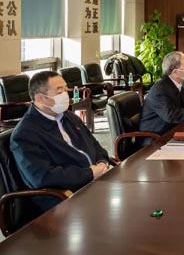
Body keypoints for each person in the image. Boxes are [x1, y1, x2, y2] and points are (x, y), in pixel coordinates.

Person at [10, 71, 110, 210]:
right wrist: (89, 173)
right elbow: (44, 176)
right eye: (59, 91)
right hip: (62, 197)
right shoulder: (25, 134)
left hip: (93, 183)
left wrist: (102, 162)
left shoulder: (69, 117)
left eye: (65, 89)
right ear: (40, 98)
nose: (65, 94)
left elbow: (94, 144)